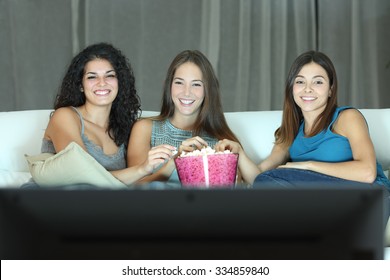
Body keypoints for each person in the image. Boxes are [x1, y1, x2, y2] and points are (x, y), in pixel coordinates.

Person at [215, 50, 390, 191]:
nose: (308, 89)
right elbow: (259, 177)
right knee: (266, 183)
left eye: (318, 82)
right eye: (300, 82)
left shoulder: (347, 118)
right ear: (292, 88)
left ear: (331, 89)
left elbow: (368, 173)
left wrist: (307, 166)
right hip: (323, 200)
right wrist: (239, 152)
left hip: (368, 194)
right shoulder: (290, 131)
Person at [35, 42, 176, 186]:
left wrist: (171, 164)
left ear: (119, 82)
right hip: (59, 200)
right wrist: (141, 169)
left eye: (109, 76)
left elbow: (137, 184)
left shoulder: (125, 127)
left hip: (104, 204)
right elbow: (82, 174)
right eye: (92, 77)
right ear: (80, 85)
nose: (102, 83)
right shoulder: (65, 117)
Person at [127, 50, 240, 185]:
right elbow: (134, 187)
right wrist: (174, 162)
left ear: (208, 90)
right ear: (169, 86)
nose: (187, 92)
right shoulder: (145, 128)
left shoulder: (222, 140)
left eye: (196, 84)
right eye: (179, 83)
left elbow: (238, 190)